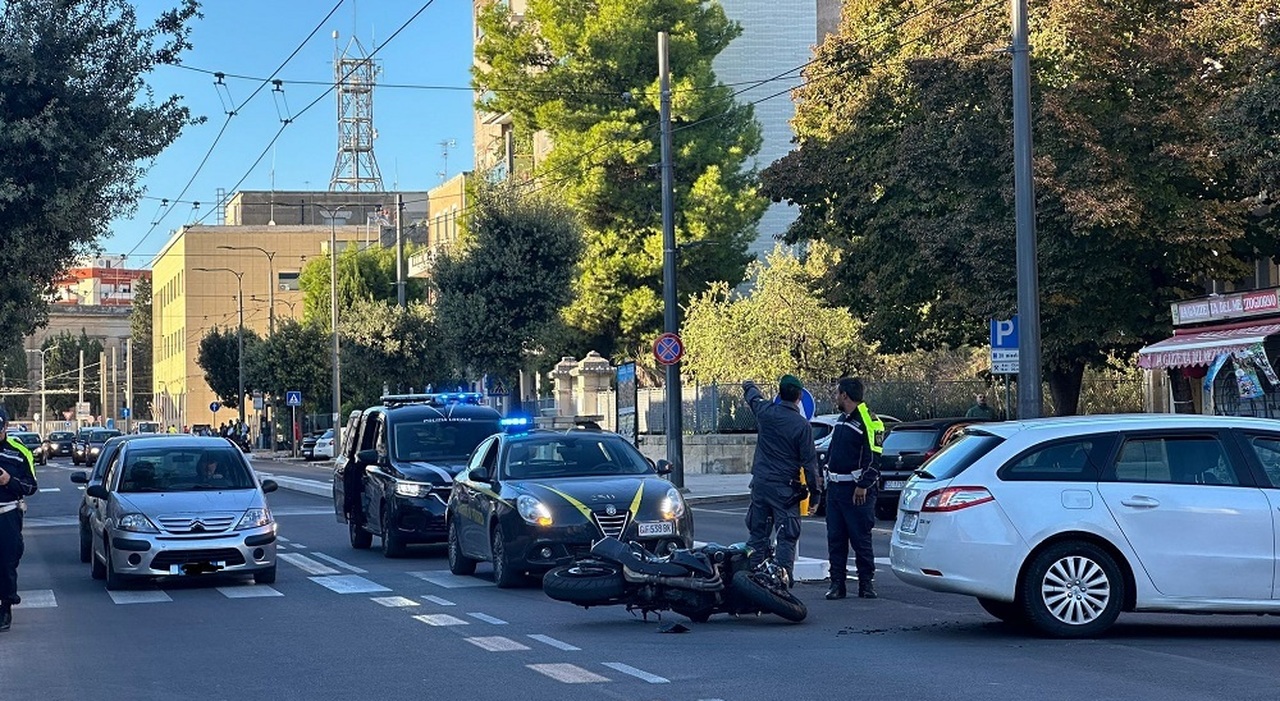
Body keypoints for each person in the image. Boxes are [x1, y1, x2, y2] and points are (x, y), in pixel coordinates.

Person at [742, 375, 821, 587]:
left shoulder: (766, 412)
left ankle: (749, 581)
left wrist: (748, 384)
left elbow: (753, 398)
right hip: (785, 490)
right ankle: (781, 583)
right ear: (799, 397)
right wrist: (816, 495)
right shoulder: (802, 426)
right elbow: (810, 465)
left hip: (760, 485)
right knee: (786, 536)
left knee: (757, 535)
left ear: (779, 394)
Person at [824, 378, 884, 600]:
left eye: (837, 393)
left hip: (856, 490)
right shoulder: (842, 419)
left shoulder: (869, 421)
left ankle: (866, 584)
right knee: (836, 539)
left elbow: (874, 457)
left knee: (860, 539)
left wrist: (863, 485)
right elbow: (834, 451)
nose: (835, 397)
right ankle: (837, 584)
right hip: (836, 489)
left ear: (845, 395)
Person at [0, 408, 38, 632]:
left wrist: (8, 480)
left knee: (6, 562)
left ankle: (5, 606)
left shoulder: (19, 452)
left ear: (5, 427)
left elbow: (31, 486)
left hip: (7, 514)